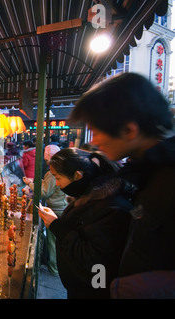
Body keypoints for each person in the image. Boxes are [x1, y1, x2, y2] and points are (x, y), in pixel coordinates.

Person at [69, 72, 175, 298]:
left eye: (97, 131)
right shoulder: (143, 173)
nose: (93, 141)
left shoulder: (167, 181)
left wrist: (157, 286)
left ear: (129, 130)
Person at [37, 148, 133, 298]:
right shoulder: (87, 197)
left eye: (58, 178)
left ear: (77, 176)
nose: (57, 183)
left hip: (92, 291)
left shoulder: (111, 209)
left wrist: (57, 226)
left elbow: (97, 264)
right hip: (79, 286)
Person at [23, 144, 67, 275]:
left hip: (57, 208)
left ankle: (54, 268)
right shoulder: (58, 170)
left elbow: (45, 192)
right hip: (60, 205)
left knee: (53, 241)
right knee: (54, 240)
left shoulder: (54, 173)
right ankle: (54, 266)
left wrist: (30, 183)